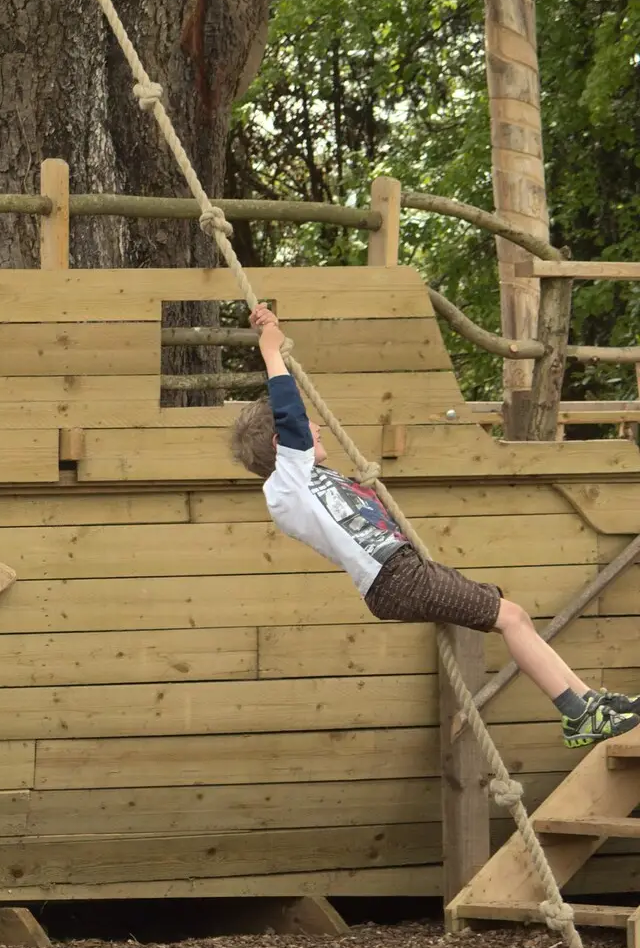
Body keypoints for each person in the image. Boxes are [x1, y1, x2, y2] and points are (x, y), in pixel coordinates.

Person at [231, 303, 640, 749]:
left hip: (402, 572)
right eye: (307, 427)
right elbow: (290, 413)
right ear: (282, 443)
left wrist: (269, 327)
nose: (316, 427)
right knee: (511, 619)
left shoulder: (306, 480)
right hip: (396, 578)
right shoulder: (286, 485)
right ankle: (577, 714)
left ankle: (589, 702)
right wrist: (272, 352)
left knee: (513, 613)